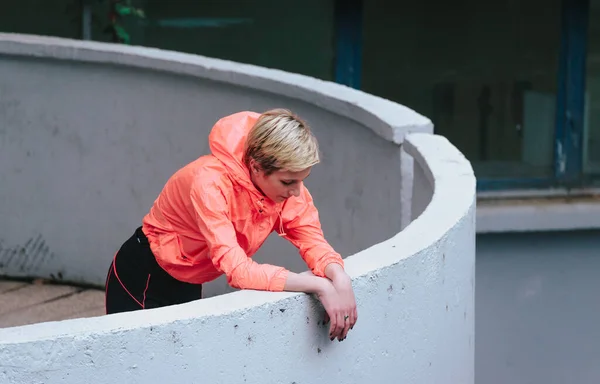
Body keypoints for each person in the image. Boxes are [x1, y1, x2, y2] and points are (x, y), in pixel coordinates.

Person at [104, 109, 357, 341]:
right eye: (288, 182)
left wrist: (339, 277)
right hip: (143, 275)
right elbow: (238, 271)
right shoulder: (210, 183)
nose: (297, 191)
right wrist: (319, 284)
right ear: (256, 168)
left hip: (188, 281)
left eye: (302, 180)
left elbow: (313, 241)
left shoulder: (286, 191)